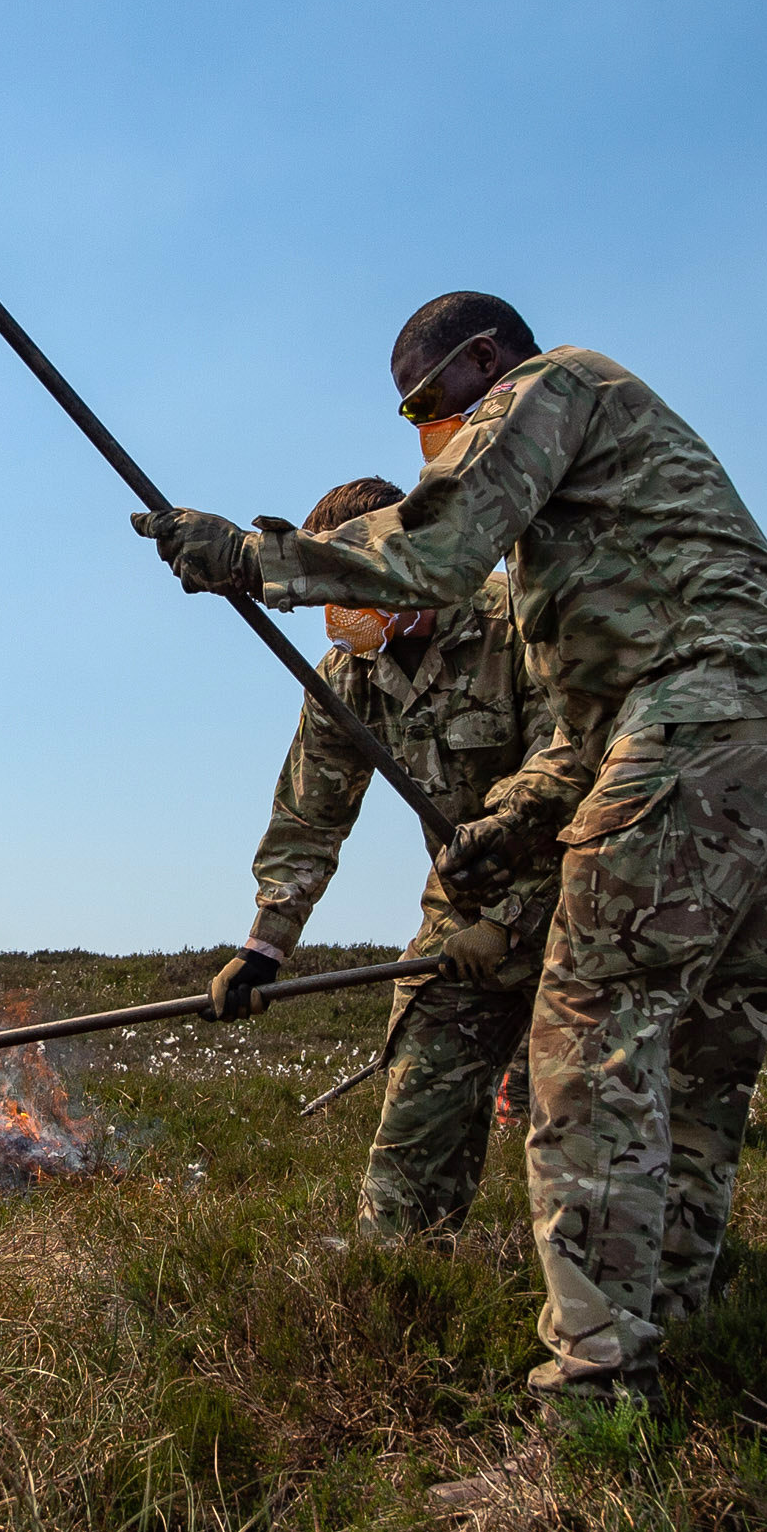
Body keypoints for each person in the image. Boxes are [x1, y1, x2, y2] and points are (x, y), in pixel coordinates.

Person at [134, 292, 767, 1405]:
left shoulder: (550, 385)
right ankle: (672, 1323)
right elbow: (577, 741)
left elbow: (432, 547)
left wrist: (250, 556)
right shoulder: (579, 555)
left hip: (704, 718)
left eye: (430, 406)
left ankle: (595, 1393)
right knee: (700, 1050)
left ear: (483, 362)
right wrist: (493, 831)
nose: (431, 433)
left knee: (587, 1036)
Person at [219, 475, 565, 1238]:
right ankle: (403, 1268)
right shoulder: (349, 678)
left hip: (592, 892)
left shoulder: (519, 620)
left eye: (352, 586)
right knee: (423, 1080)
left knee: (591, 1126)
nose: (339, 617)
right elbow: (310, 810)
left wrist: (511, 922)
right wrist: (264, 946)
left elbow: (576, 773)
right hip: (468, 904)